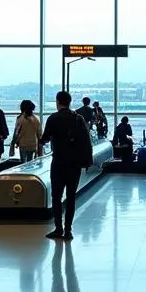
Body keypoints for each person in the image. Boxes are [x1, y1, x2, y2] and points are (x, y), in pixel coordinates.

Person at [40, 90, 94, 240]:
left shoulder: (53, 118)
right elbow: (86, 141)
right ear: (70, 102)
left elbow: (44, 138)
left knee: (56, 196)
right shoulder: (78, 119)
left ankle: (58, 228)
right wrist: (88, 160)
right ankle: (68, 230)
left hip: (58, 162)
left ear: (57, 102)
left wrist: (41, 141)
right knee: (71, 197)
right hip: (74, 163)